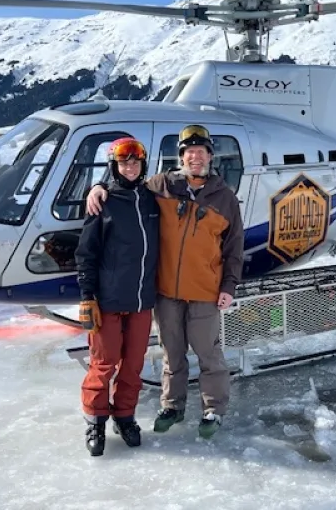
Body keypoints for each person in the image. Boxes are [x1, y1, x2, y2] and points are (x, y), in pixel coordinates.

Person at [86, 124, 244, 439]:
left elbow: (234, 248)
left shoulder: (225, 198)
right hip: (166, 292)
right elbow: (126, 182)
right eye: (189, 152)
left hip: (205, 292)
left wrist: (228, 286)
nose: (195, 158)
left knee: (208, 353)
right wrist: (98, 187)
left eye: (201, 152)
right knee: (172, 353)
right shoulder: (160, 186)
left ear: (210, 157)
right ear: (181, 156)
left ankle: (213, 408)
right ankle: (172, 405)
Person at [75, 137, 159, 456]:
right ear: (114, 167)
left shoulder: (153, 199)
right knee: (104, 363)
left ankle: (124, 416)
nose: (130, 167)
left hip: (141, 300)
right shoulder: (103, 202)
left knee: (133, 365)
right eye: (124, 163)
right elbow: (86, 253)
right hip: (107, 301)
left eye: (136, 162)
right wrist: (87, 297)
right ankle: (96, 421)